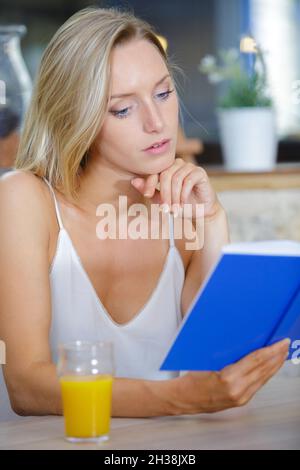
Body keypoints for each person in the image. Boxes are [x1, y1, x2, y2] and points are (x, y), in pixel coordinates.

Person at [0, 7, 290, 419]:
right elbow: (26, 386)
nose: (157, 123)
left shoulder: (183, 207)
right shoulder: (24, 200)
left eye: (163, 93)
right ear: (74, 117)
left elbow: (220, 362)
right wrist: (177, 399)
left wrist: (212, 222)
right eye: (122, 109)